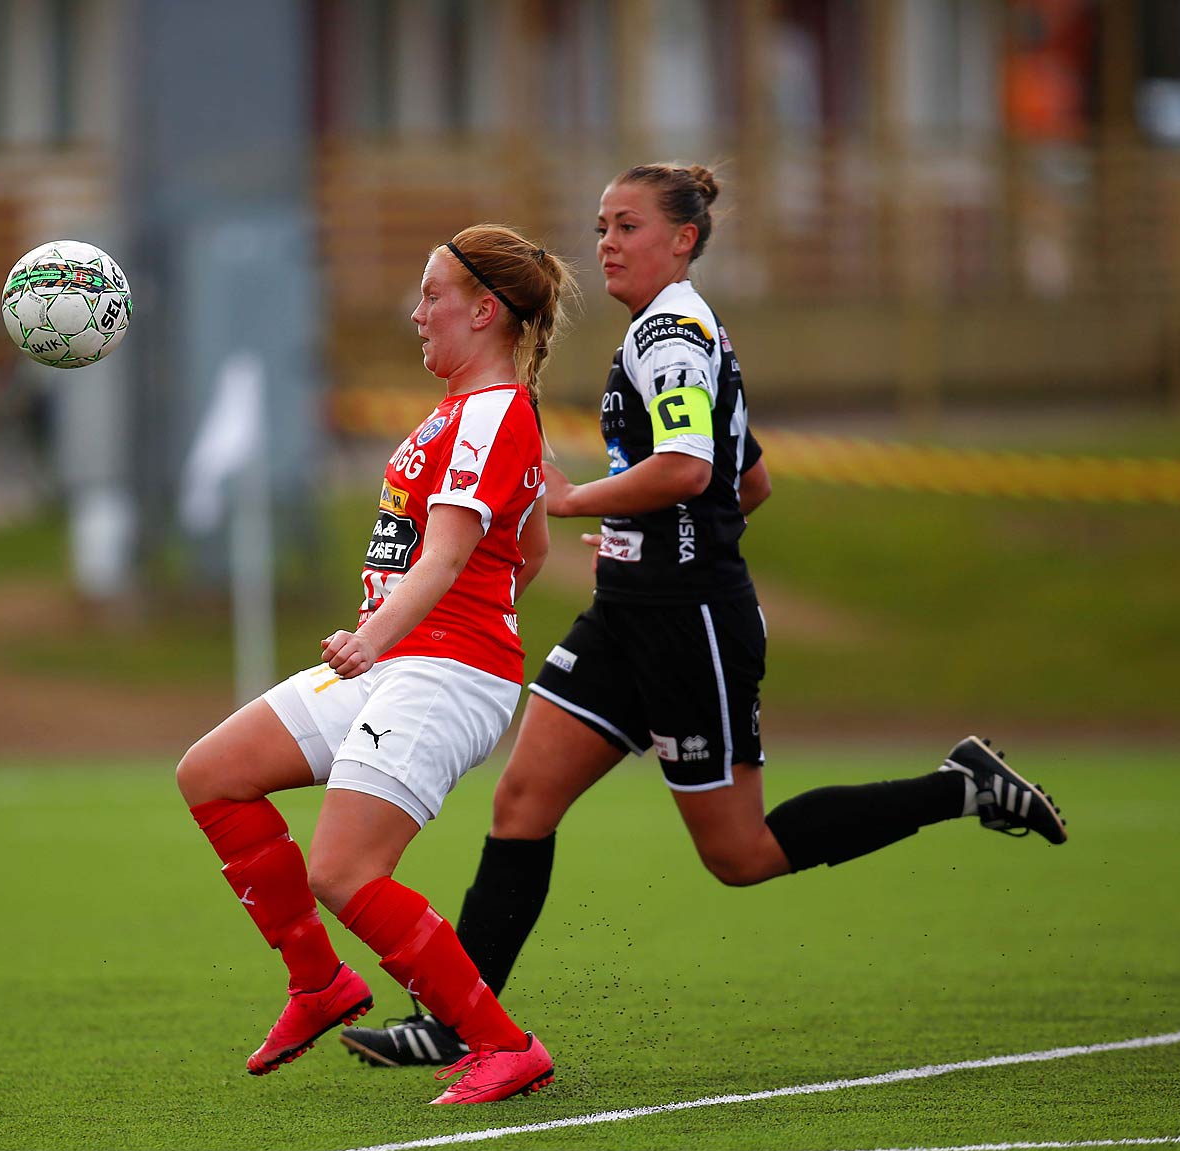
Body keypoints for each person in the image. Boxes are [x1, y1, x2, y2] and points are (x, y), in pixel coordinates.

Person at [342, 163, 1067, 1068]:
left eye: (629, 227)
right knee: (523, 801)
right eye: (601, 225)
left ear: (683, 239)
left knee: (740, 853)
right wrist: (653, 540)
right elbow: (744, 479)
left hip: (691, 626)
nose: (606, 242)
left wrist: (577, 506)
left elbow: (689, 469)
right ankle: (456, 1025)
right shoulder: (663, 333)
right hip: (627, 613)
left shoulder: (674, 336)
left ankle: (961, 787)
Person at [176, 224, 576, 1104]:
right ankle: (319, 984)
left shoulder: (494, 412)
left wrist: (381, 636)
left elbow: (443, 558)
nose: (417, 312)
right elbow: (530, 548)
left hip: (440, 671)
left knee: (345, 871)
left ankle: (506, 1046)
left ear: (484, 310)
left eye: (432, 294)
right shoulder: (470, 411)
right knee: (212, 773)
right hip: (403, 661)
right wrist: (413, 630)